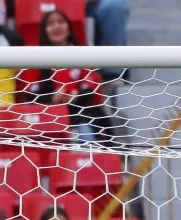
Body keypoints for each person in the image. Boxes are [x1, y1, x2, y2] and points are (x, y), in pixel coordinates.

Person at [21, 10, 114, 141]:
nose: (57, 26)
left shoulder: (82, 56)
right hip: (45, 118)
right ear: (44, 31)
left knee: (84, 129)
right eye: (51, 23)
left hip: (78, 115)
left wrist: (74, 96)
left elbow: (88, 90)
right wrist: (51, 98)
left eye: (60, 22)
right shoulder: (35, 59)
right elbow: (30, 95)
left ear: (69, 28)